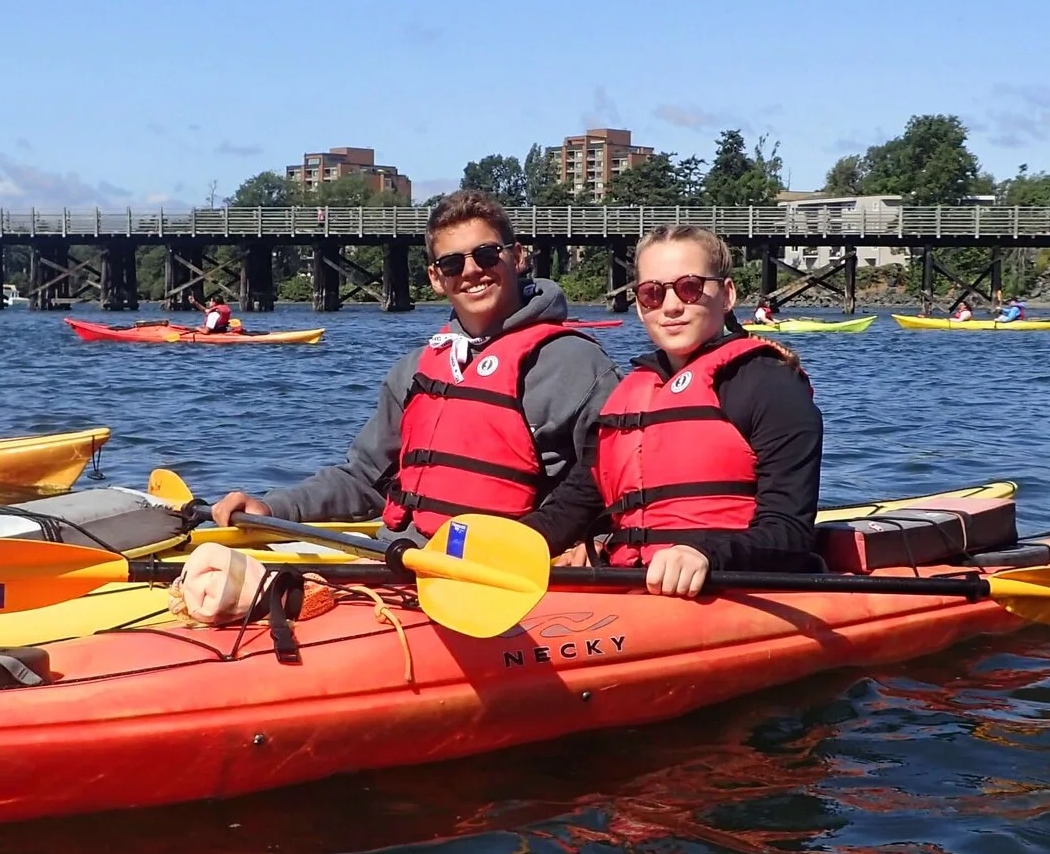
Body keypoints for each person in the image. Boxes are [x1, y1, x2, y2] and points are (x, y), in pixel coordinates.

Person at [209, 191, 619, 539]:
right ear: (436, 279)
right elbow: (363, 479)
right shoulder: (415, 371)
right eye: (453, 264)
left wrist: (592, 544)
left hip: (509, 575)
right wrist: (274, 507)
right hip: (407, 561)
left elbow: (613, 484)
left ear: (517, 258)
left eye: (487, 254)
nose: (472, 271)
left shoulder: (578, 365)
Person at [527, 224, 823, 597]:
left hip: (729, 587)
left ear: (727, 294)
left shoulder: (771, 385)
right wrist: (507, 544)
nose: (670, 307)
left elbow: (789, 531)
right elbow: (572, 506)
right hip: (632, 583)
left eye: (689, 288)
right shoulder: (628, 394)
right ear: (638, 304)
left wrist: (705, 555)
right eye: (652, 293)